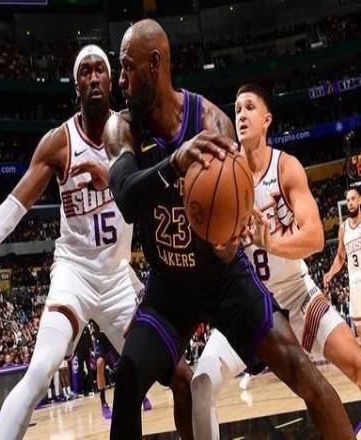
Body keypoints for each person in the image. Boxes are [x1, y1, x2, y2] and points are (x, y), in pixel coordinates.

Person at [0, 45, 194, 439]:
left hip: (119, 278)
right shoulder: (59, 143)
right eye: (85, 71)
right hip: (75, 274)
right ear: (76, 86)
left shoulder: (132, 131)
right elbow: (9, 213)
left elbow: (166, 181)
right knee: (39, 373)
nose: (93, 77)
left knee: (182, 377)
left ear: (112, 81)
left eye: (100, 70)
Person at [103, 19, 353, 439]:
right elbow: (127, 197)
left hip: (223, 279)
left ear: (155, 63)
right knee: (128, 378)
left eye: (128, 67)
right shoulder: (122, 127)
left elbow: (228, 236)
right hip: (169, 289)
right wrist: (175, 163)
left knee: (301, 369)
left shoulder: (211, 122)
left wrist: (226, 236)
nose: (121, 79)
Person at [191, 83, 361, 439]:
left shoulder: (285, 167)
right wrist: (224, 246)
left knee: (357, 363)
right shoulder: (222, 176)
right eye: (237, 109)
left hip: (297, 295)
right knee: (201, 382)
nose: (241, 115)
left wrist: (269, 241)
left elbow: (315, 238)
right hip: (248, 304)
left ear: (267, 119)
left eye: (249, 107)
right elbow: (220, 253)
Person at [324, 187, 361, 336]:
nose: (350, 203)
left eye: (353, 199)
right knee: (359, 330)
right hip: (354, 283)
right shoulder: (343, 228)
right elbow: (340, 257)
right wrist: (330, 273)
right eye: (348, 200)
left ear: (360, 200)